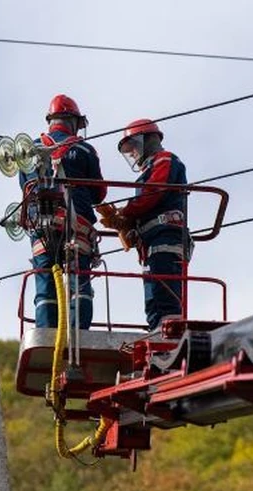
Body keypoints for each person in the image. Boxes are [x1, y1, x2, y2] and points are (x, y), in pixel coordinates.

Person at [19, 94, 106, 330]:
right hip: (77, 224)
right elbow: (99, 193)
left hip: (41, 225)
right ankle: (79, 332)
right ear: (71, 121)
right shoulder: (85, 149)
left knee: (45, 278)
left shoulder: (28, 151)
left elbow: (24, 186)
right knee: (79, 280)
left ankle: (47, 332)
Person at [96, 118, 189, 331]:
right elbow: (145, 206)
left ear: (147, 140)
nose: (133, 154)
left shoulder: (165, 160)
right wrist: (125, 225)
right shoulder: (145, 174)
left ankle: (170, 338)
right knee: (154, 303)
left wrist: (124, 214)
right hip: (150, 245)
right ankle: (159, 336)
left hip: (165, 239)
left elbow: (152, 195)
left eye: (134, 148)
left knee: (166, 299)